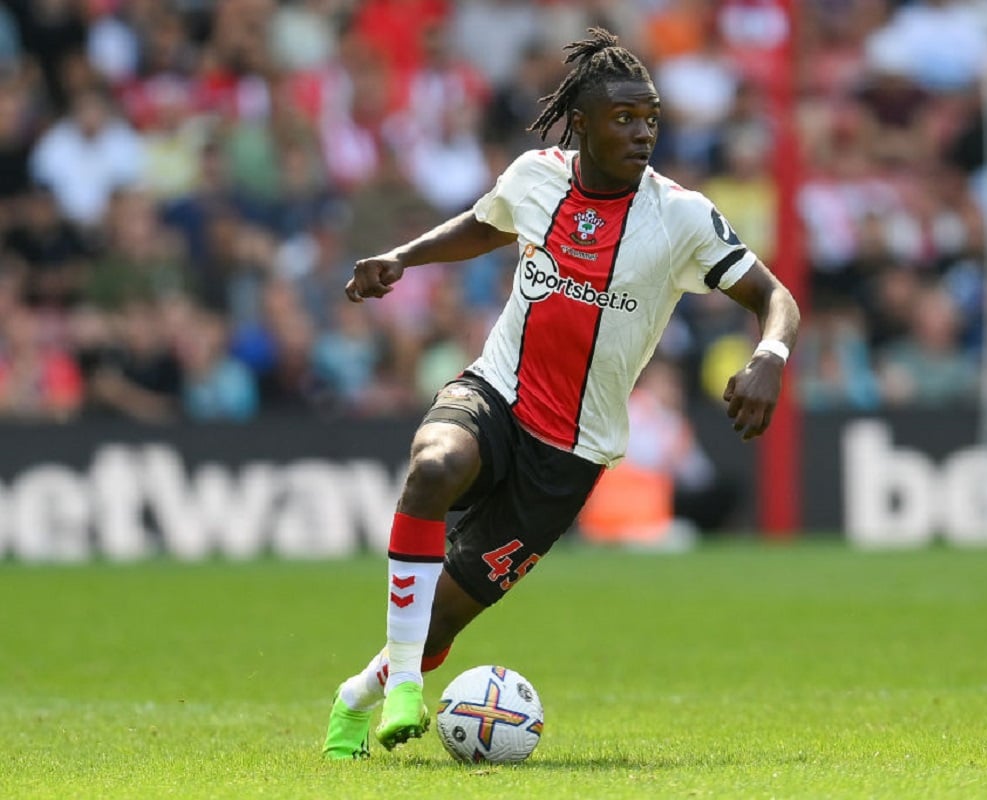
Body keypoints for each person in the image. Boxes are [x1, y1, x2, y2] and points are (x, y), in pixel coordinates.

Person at [322, 28, 800, 760]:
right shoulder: (535, 177)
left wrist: (769, 355)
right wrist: (402, 257)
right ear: (581, 122)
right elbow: (483, 225)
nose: (642, 132)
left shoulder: (680, 217)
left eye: (650, 119)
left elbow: (775, 297)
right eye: (624, 117)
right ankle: (407, 687)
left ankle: (359, 694)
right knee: (434, 466)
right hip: (497, 391)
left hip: (571, 453)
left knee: (440, 622)